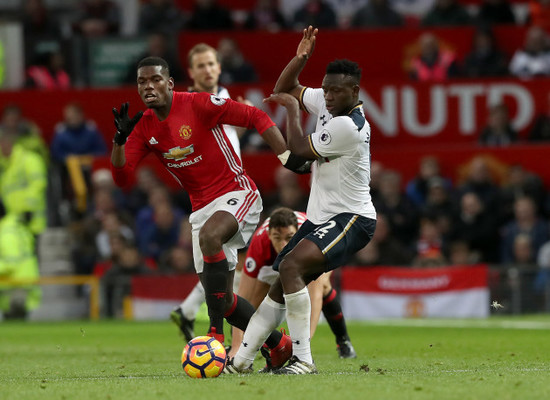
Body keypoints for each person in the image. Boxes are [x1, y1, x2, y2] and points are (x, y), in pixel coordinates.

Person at [110, 56, 310, 367]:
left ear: (170, 83)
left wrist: (284, 154)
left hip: (237, 192)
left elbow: (255, 115)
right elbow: (122, 179)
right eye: (142, 82)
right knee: (224, 298)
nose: (149, 86)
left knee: (210, 238)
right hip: (201, 208)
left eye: (155, 80)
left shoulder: (199, 104)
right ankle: (279, 344)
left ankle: (214, 335)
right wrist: (119, 141)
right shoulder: (144, 128)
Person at [227, 26, 377, 374]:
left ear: (354, 92)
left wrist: (293, 111)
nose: (326, 97)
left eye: (335, 91)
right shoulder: (328, 102)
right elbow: (282, 89)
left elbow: (296, 152)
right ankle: (241, 361)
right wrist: (299, 59)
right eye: (324, 89)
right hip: (320, 217)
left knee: (292, 267)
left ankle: (304, 361)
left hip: (351, 218)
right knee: (281, 281)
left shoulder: (349, 128)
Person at [236, 208, 357, 362]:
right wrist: (236, 347)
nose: (283, 245)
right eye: (277, 238)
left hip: (321, 249)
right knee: (257, 297)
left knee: (323, 287)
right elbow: (243, 297)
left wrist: (302, 347)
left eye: (289, 238)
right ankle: (256, 347)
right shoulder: (259, 243)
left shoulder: (309, 236)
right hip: (281, 262)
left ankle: (343, 340)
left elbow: (314, 298)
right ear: (268, 235)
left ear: (298, 233)